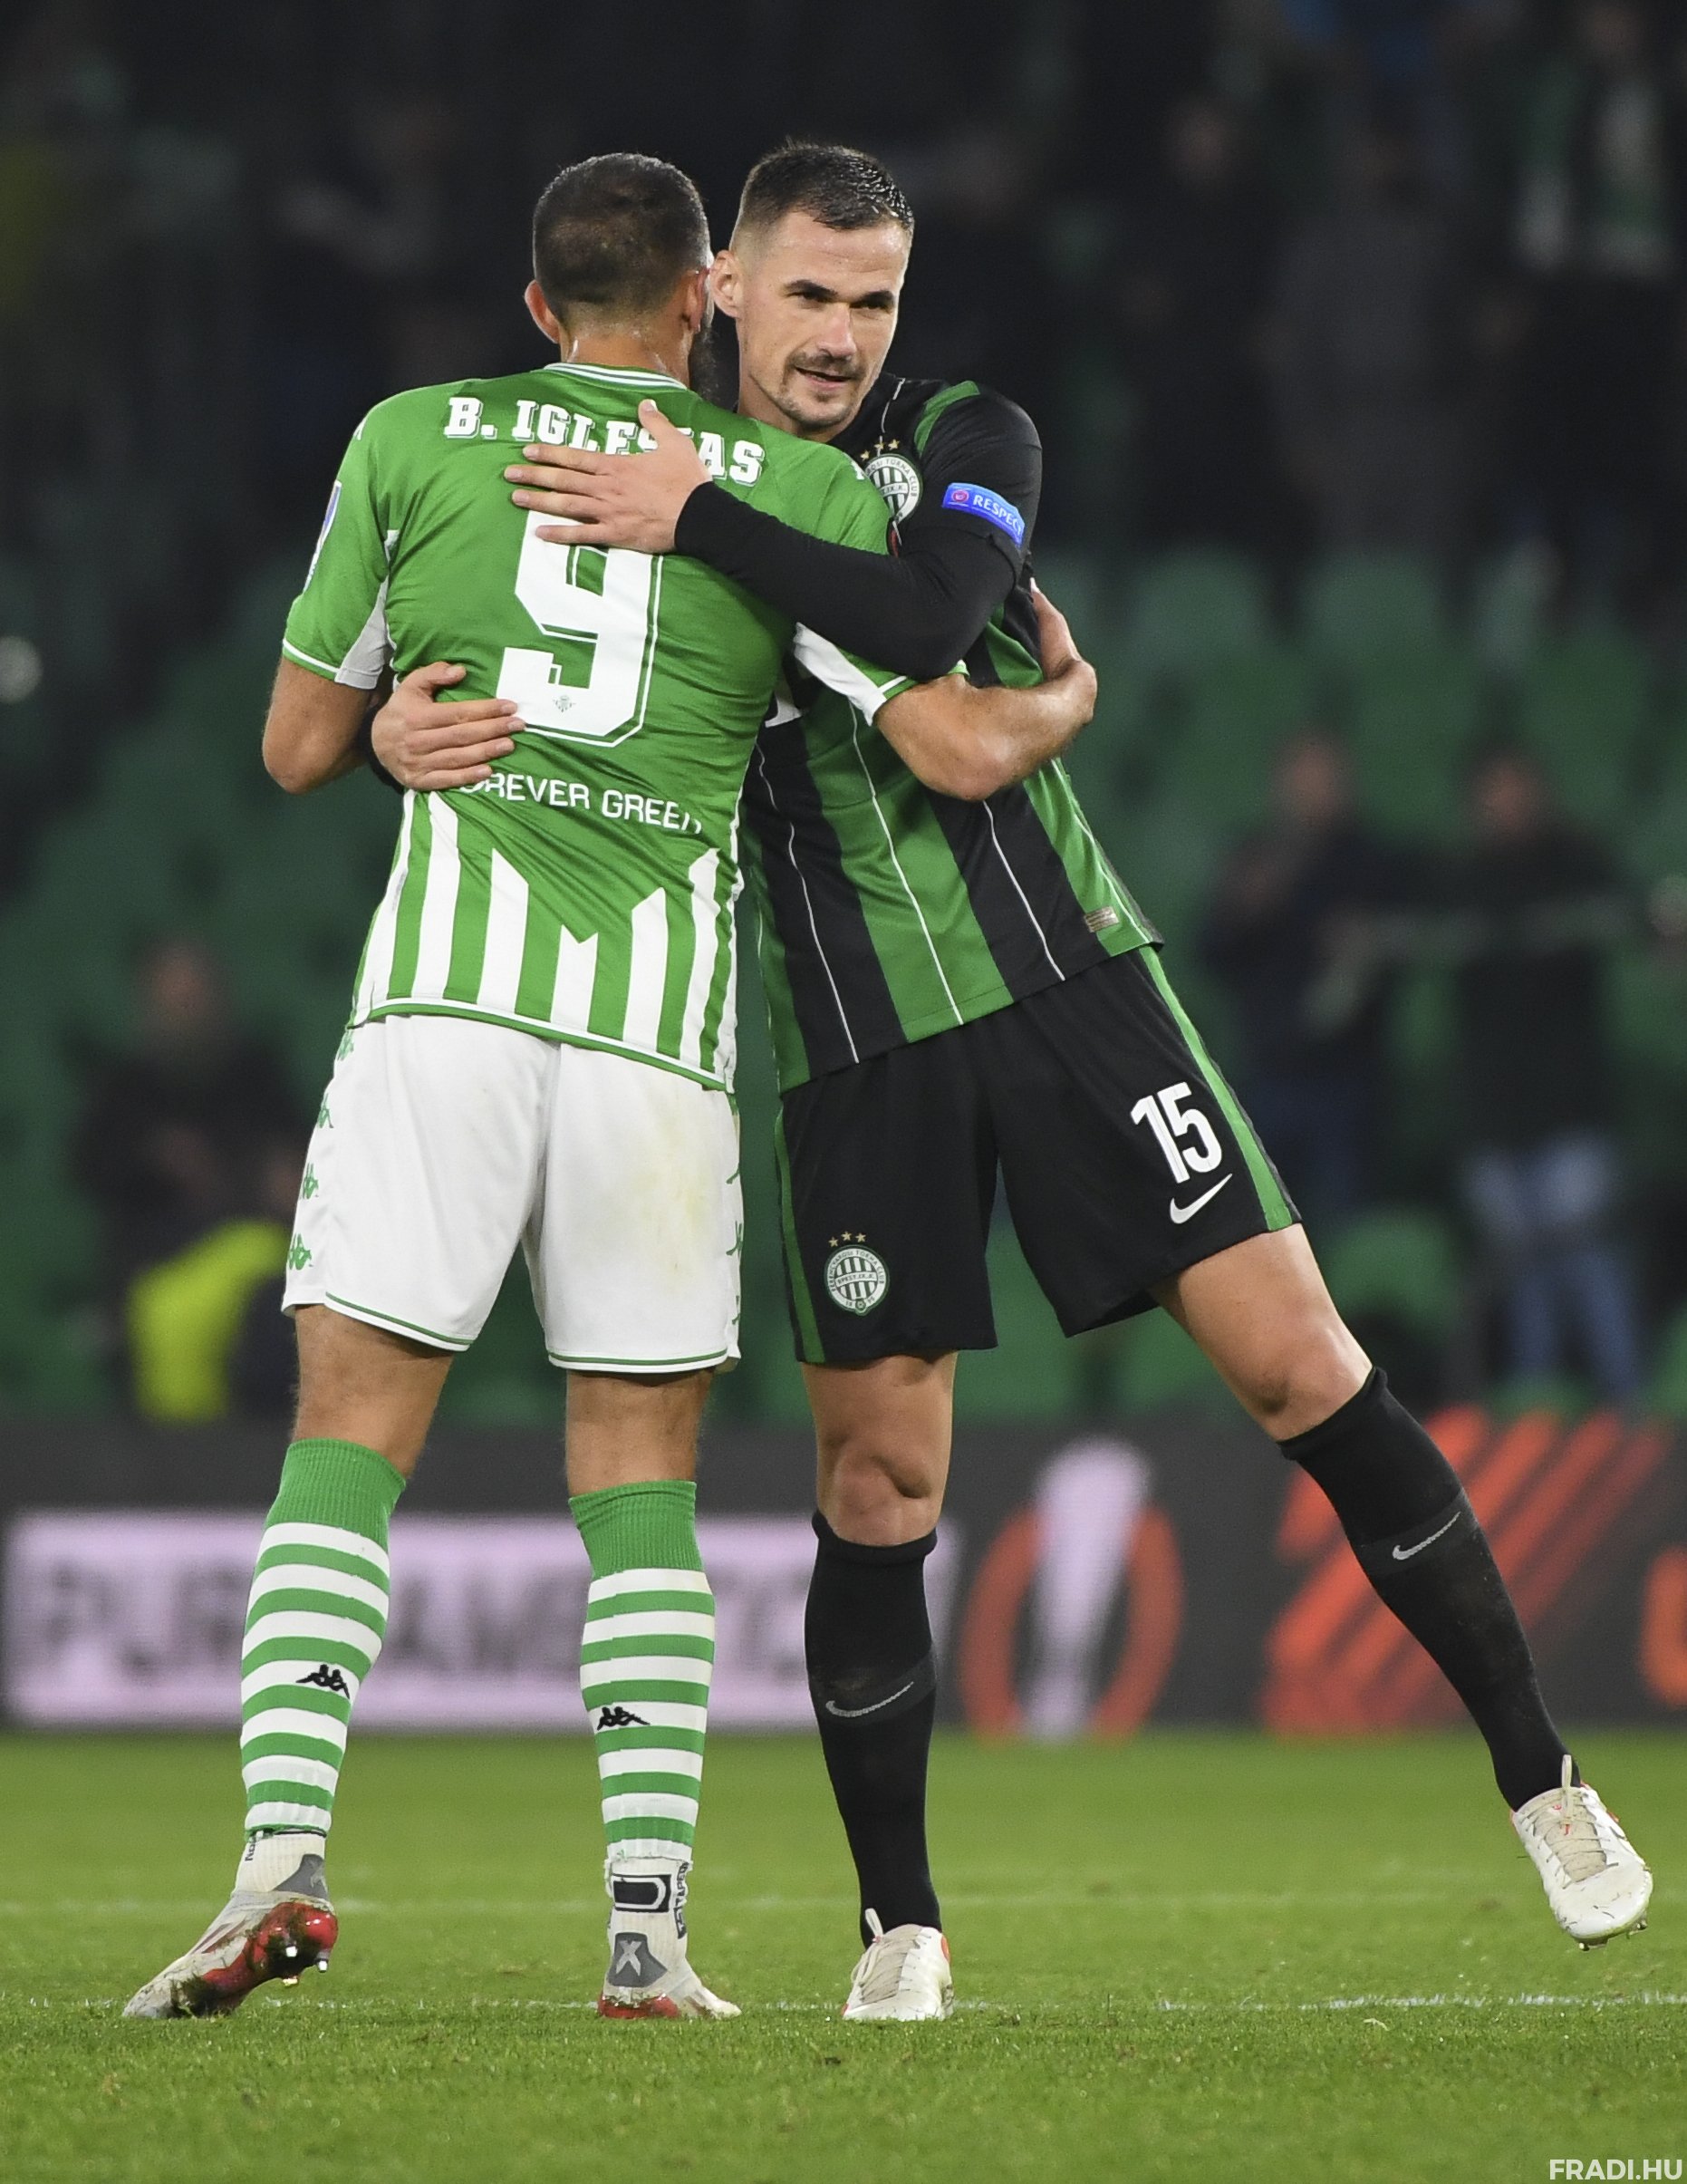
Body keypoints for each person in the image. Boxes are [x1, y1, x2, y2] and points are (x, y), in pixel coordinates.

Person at [379, 140, 1653, 2024]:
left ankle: (1543, 1779)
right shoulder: (638, 475)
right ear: (723, 289)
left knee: (1302, 1364)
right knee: (879, 1478)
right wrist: (397, 723)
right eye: (806, 294)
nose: (839, 334)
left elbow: (928, 619)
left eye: (871, 299)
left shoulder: (961, 435)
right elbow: (529, 679)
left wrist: (715, 528)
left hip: (1072, 987)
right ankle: (897, 1923)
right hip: (849, 1046)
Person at [124, 151, 1096, 2025]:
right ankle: (647, 1934)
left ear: (535, 304)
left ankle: (278, 1862)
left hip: (448, 1004)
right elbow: (948, 734)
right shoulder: (797, 492)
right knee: (639, 1472)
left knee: (350, 1431)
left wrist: (393, 728)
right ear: (700, 300)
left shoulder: (410, 435)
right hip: (656, 1034)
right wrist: (1061, 704)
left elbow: (295, 744)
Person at [1447, 743, 1645, 1402]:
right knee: (1524, 1276)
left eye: (1518, 787)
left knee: (1588, 1262)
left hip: (1571, 1108)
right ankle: (1541, 1423)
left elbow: (1638, 919)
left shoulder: (1578, 864)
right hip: (1496, 1112)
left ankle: (1629, 1416)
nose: (1508, 803)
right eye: (1495, 790)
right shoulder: (1463, 882)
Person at [72, 937, 304, 1419]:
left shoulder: (255, 1078)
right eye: (173, 998)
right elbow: (91, 1166)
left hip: (258, 1262)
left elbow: (292, 1176)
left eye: (195, 995)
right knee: (164, 1318)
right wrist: (155, 1154)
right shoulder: (127, 1088)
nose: (186, 1009)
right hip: (157, 1263)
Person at [1198, 728, 1412, 1227]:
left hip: (1350, 1079)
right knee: (1264, 1225)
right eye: (1301, 777)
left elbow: (1405, 945)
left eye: (1323, 776)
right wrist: (1246, 909)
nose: (1312, 789)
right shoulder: (1257, 858)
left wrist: (1367, 940)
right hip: (1269, 1073)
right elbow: (1211, 952)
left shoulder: (1371, 862)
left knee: (1347, 1224)